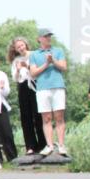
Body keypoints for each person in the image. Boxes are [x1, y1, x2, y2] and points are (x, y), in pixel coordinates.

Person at [29, 28, 69, 156]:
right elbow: (33, 73)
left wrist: (54, 61)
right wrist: (47, 63)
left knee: (59, 117)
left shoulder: (58, 51)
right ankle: (50, 145)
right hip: (42, 89)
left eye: (49, 36)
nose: (48, 38)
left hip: (58, 87)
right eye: (45, 36)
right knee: (46, 118)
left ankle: (61, 145)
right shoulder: (34, 54)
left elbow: (64, 67)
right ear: (39, 39)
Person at [7, 36, 46, 155]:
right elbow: (14, 78)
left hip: (35, 85)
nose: (21, 48)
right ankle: (30, 145)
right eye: (18, 47)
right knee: (26, 117)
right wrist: (18, 69)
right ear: (15, 49)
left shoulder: (35, 55)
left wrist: (27, 66)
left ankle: (43, 144)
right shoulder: (16, 60)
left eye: (22, 45)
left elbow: (40, 70)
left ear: (26, 44)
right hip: (23, 87)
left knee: (39, 115)